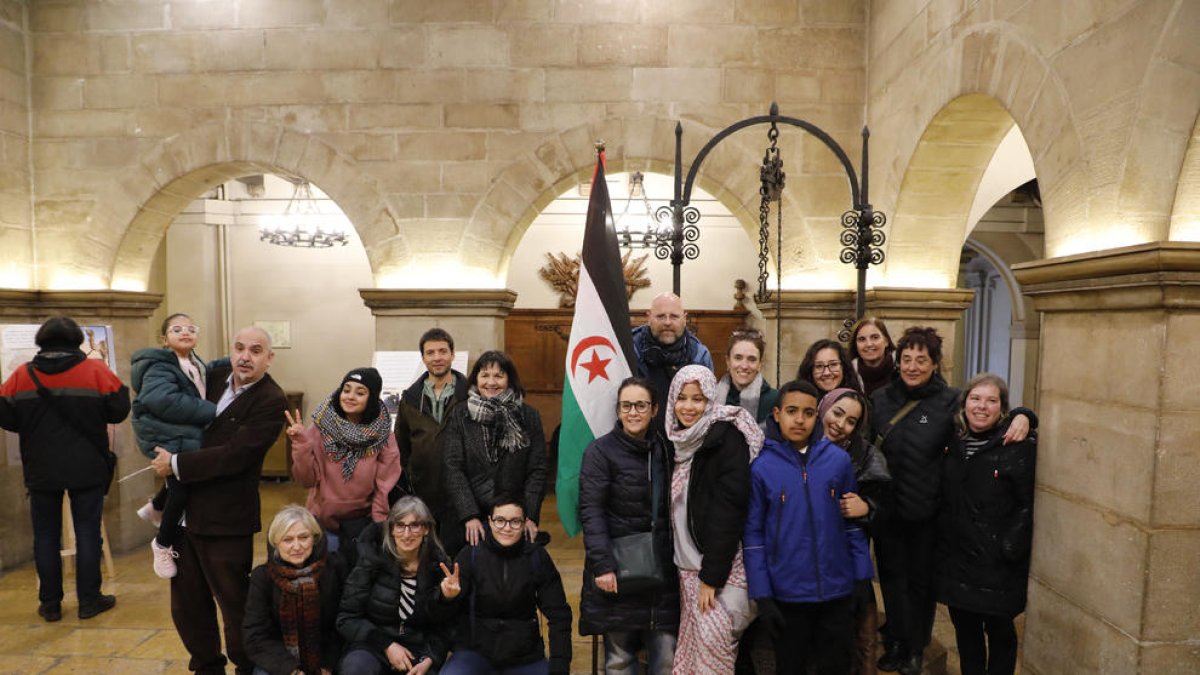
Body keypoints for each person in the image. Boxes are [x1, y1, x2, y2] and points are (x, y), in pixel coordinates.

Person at [869, 327, 1032, 675]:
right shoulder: (880, 399)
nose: (913, 366)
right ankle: (896, 641)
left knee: (921, 584)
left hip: (930, 512)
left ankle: (915, 646)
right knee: (892, 580)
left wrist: (1025, 415)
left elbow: (987, 416)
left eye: (921, 360)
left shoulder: (950, 400)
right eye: (907, 359)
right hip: (887, 509)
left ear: (935, 363)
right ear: (897, 361)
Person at [150, 325, 288, 675]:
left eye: (255, 350)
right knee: (188, 604)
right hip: (184, 514)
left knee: (234, 603)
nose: (245, 356)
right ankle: (207, 667)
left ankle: (248, 667)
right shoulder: (210, 378)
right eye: (239, 348)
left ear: (269, 358)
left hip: (227, 518)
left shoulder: (272, 400)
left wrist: (176, 463)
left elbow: (235, 455)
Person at [0, 316, 131, 622]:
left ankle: (50, 604)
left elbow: (6, 416)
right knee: (88, 532)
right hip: (88, 466)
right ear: (77, 341)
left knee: (45, 536)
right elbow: (119, 410)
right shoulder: (95, 370)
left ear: (41, 342)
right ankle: (89, 601)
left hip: (41, 468)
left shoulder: (22, 375)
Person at [744, 379, 873, 674]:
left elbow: (852, 526)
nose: (799, 419)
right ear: (777, 414)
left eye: (808, 412)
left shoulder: (838, 461)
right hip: (787, 595)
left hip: (837, 591)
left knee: (836, 665)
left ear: (817, 415)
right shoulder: (761, 467)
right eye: (792, 411)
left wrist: (862, 578)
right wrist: (762, 595)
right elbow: (753, 536)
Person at [665, 364, 764, 675]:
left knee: (713, 649)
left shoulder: (725, 437)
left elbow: (729, 509)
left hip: (720, 570)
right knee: (695, 650)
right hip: (688, 568)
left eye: (698, 399)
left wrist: (712, 576)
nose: (689, 407)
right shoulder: (676, 441)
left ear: (711, 402)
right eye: (682, 398)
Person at [578, 377, 679, 675]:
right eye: (626, 406)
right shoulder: (599, 451)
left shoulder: (668, 449)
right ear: (618, 410)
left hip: (664, 575)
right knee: (619, 662)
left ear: (655, 409)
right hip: (618, 572)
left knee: (667, 659)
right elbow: (591, 511)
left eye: (641, 405)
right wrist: (602, 565)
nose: (633, 412)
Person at [937, 374, 1036, 675]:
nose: (982, 406)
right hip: (958, 558)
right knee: (966, 635)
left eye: (991, 400)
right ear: (964, 402)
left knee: (1001, 634)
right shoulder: (951, 442)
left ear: (1003, 407)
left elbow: (1027, 504)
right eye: (975, 399)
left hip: (998, 563)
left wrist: (1009, 546)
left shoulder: (1019, 446)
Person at [432, 496, 573, 675]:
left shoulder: (537, 558)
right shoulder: (471, 555)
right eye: (500, 521)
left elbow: (559, 615)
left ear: (524, 524)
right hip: (475, 653)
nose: (507, 528)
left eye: (515, 522)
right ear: (489, 522)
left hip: (525, 656)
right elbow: (442, 613)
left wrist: (559, 666)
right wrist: (446, 597)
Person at [131, 312, 217, 579]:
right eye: (177, 329)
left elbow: (203, 377)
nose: (185, 332)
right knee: (181, 489)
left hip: (180, 434)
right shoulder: (159, 366)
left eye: (191, 328)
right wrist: (213, 411)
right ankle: (162, 543)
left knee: (182, 481)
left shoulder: (191, 361)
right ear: (164, 339)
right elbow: (163, 400)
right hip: (166, 435)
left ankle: (155, 506)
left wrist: (233, 361)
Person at [286, 367, 401, 568]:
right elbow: (306, 480)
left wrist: (378, 524)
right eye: (346, 390)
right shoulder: (321, 426)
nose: (350, 397)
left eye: (360, 392)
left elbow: (385, 483)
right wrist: (301, 443)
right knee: (328, 578)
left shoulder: (383, 434)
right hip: (323, 519)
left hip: (363, 522)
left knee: (357, 578)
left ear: (372, 398)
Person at [441, 350, 546, 554]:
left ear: (510, 379)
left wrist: (529, 516)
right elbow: (453, 467)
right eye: (485, 375)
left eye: (498, 375)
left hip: (513, 518)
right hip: (470, 518)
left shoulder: (528, 415)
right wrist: (469, 514)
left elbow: (537, 469)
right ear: (475, 379)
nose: (491, 382)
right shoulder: (460, 414)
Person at [819, 388, 892, 675]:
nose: (840, 424)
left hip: (847, 558)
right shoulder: (797, 442)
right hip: (803, 560)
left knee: (859, 636)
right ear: (823, 408)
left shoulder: (866, 455)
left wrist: (868, 507)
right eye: (837, 413)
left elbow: (887, 506)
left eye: (851, 421)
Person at [338, 496, 454, 675]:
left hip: (419, 649)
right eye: (400, 525)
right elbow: (347, 618)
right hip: (373, 646)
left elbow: (446, 627)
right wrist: (387, 645)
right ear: (390, 529)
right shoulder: (370, 561)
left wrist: (429, 659)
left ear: (426, 529)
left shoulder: (440, 568)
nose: (407, 534)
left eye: (415, 525)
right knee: (356, 668)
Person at [243, 505, 346, 675]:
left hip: (328, 658)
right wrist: (292, 671)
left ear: (315, 538)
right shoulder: (262, 577)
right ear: (275, 544)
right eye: (288, 540)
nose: (296, 546)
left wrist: (327, 665)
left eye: (303, 537)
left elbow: (343, 624)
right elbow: (255, 636)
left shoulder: (334, 568)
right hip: (281, 662)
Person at [391, 328, 469, 543]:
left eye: (443, 351)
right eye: (431, 352)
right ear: (423, 358)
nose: (437, 358)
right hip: (423, 492)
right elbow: (401, 445)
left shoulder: (470, 394)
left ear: (453, 355)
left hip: (462, 494)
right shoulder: (411, 398)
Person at [631, 293, 713, 429]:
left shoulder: (700, 355)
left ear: (684, 319)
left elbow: (707, 407)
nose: (667, 322)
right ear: (649, 317)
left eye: (674, 316)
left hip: (684, 438)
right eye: (660, 316)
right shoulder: (630, 349)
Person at [714, 328, 778, 425]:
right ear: (728, 361)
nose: (744, 366)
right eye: (738, 358)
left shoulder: (774, 400)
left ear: (760, 364)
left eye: (752, 359)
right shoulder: (711, 397)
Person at [849, 317, 896, 396]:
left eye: (875, 337)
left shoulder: (902, 368)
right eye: (862, 339)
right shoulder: (849, 375)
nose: (869, 344)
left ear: (886, 341)